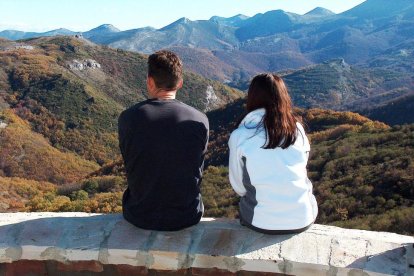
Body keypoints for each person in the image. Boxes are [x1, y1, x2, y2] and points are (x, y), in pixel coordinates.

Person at [118, 50, 209, 231]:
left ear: (150, 82)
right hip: (187, 215)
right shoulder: (200, 119)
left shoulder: (128, 118)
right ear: (180, 83)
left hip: (139, 215)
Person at [228, 73, 318, 234]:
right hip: (303, 217)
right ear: (283, 97)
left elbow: (239, 187)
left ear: (252, 97)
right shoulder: (297, 130)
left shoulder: (240, 136)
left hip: (261, 221)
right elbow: (302, 168)